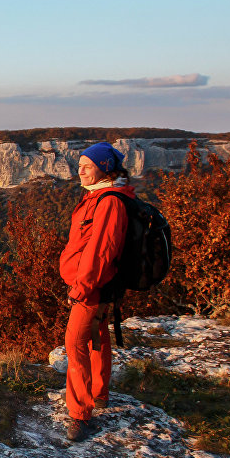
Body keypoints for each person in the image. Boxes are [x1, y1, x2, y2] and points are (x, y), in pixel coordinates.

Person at [57, 142, 134, 442]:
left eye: (87, 166)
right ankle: (99, 395)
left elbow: (101, 251)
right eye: (80, 165)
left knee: (75, 342)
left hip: (92, 285)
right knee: (98, 337)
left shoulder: (109, 202)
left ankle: (80, 415)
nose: (80, 171)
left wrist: (82, 287)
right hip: (95, 284)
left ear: (104, 167)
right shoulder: (98, 197)